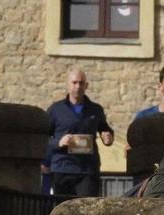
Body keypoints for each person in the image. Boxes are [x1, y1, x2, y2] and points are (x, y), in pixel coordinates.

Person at [45, 67, 114, 199]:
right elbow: (43, 137)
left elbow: (105, 130)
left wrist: (108, 138)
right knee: (61, 212)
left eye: (81, 83)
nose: (78, 86)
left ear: (86, 85)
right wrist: (59, 142)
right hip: (62, 168)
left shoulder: (95, 110)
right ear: (68, 84)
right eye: (74, 82)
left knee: (85, 212)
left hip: (87, 170)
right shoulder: (56, 110)